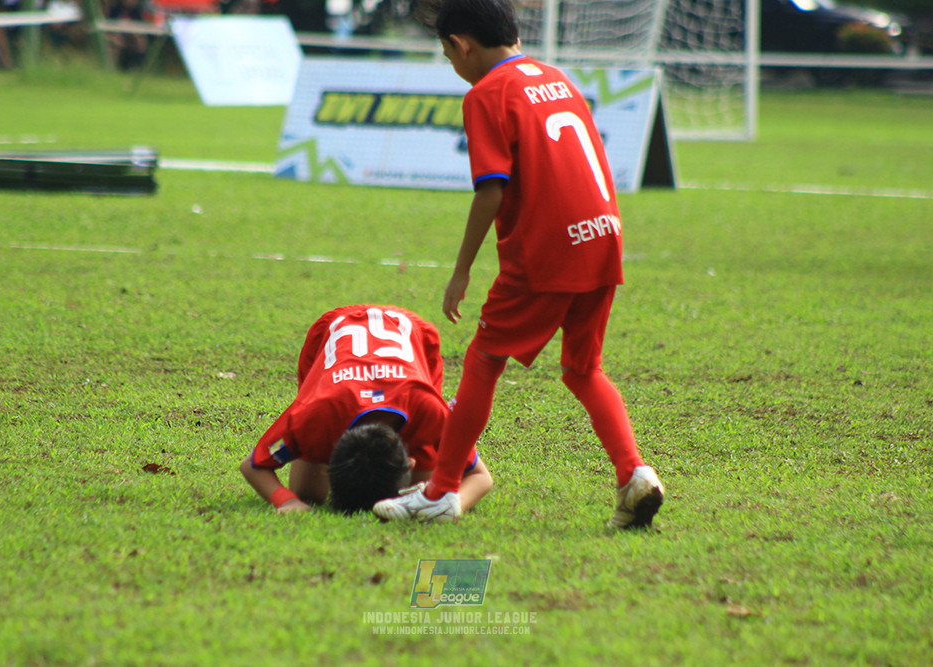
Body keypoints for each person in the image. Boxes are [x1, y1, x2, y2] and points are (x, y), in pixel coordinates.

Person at [372, 0, 664, 529]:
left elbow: (491, 190)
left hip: (546, 252)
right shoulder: (556, 79)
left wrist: (461, 270)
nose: (453, 65)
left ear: (462, 45)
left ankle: (439, 493)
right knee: (582, 369)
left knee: (484, 359)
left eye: (446, 54)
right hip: (602, 239)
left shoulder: (486, 93)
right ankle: (634, 474)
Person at [240, 304, 493, 516]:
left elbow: (481, 477)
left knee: (423, 488)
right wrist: (287, 501)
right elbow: (252, 464)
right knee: (309, 495)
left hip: (413, 332)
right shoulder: (316, 414)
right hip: (332, 331)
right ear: (329, 454)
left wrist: (448, 506)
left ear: (409, 459)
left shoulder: (428, 409)